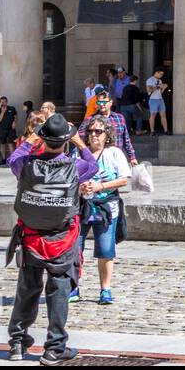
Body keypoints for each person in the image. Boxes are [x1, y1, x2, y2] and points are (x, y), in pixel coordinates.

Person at [5, 112, 99, 363]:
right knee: (59, 292)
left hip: (31, 238)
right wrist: (80, 142)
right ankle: (55, 347)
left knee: (27, 289)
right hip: (62, 240)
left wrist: (31, 139)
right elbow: (93, 166)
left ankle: (17, 341)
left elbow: (12, 157)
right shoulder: (74, 167)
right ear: (66, 141)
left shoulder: (25, 165)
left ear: (42, 139)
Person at [73, 116, 130, 306]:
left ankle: (105, 289)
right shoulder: (78, 153)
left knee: (105, 250)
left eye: (98, 131)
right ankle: (73, 287)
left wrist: (100, 186)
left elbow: (123, 179)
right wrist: (80, 188)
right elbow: (69, 177)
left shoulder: (113, 153)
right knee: (74, 249)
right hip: (82, 207)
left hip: (106, 207)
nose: (94, 135)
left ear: (107, 135)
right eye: (90, 132)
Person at [85, 87, 137, 164]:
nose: (102, 104)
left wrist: (132, 157)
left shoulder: (119, 118)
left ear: (111, 102)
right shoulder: (90, 119)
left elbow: (126, 139)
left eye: (104, 102)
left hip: (117, 158)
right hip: (98, 159)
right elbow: (82, 138)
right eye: (99, 102)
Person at [146, 69, 170, 134]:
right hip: (153, 99)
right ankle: (152, 131)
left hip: (160, 99)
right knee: (153, 115)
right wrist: (159, 86)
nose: (161, 75)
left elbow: (160, 92)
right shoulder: (150, 80)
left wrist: (163, 88)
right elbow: (149, 89)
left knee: (163, 115)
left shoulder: (160, 80)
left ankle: (166, 130)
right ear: (156, 72)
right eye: (161, 74)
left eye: (162, 74)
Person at [0, 97, 18, 164]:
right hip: (2, 129)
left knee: (11, 143)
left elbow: (15, 117)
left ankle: (13, 159)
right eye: (2, 102)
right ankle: (3, 159)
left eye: (4, 102)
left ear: (7, 102)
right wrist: (2, 112)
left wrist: (14, 122)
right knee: (3, 144)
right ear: (0, 102)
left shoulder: (12, 108)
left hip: (10, 129)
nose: (3, 103)